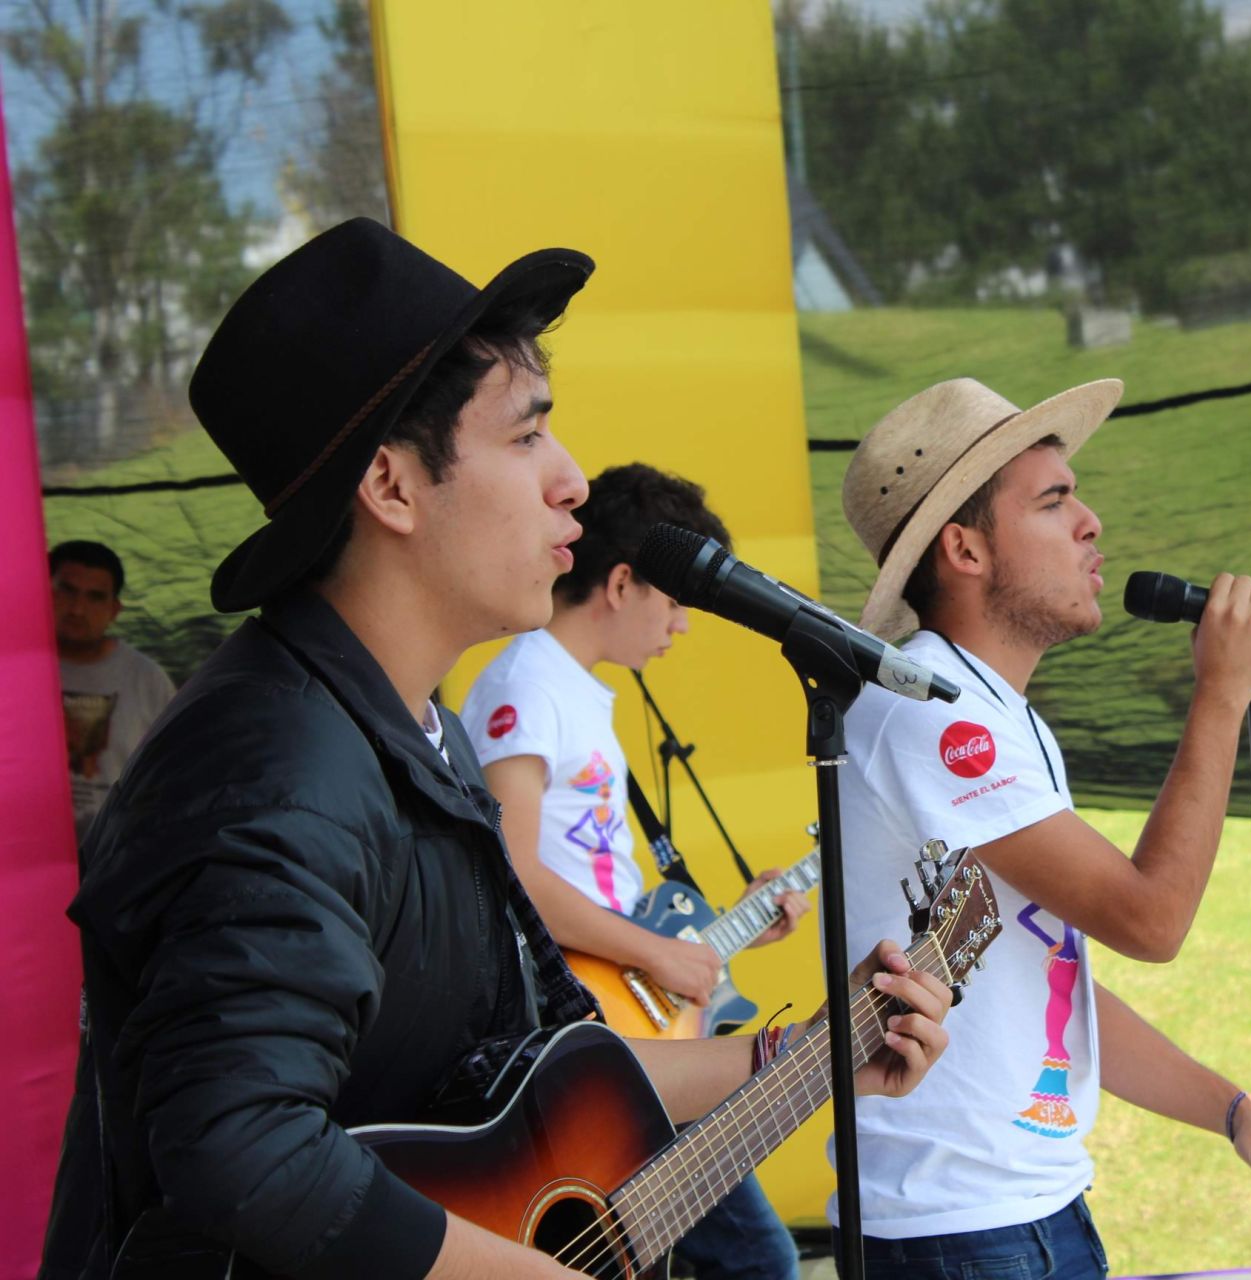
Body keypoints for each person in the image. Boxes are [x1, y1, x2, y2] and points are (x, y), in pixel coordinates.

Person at [39, 219, 950, 1280]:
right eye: (526, 437)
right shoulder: (272, 769)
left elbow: (531, 1084)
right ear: (390, 486)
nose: (572, 480)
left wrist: (803, 1056)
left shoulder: (423, 730)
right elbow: (243, 1149)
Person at [829, 377, 1251, 1277]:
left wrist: (1231, 1109)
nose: (1091, 521)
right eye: (1054, 501)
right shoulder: (934, 715)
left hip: (1020, 1213)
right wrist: (1221, 694)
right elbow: (1151, 921)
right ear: (966, 549)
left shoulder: (992, 713)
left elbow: (1041, 981)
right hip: (960, 1232)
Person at [466, 461, 812, 1280]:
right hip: (589, 1035)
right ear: (622, 582)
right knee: (758, 1261)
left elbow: (600, 887)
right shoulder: (524, 681)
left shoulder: (576, 691)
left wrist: (717, 934)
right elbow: (512, 877)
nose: (682, 625)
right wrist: (657, 956)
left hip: (634, 1017)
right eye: (676, 600)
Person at [49, 540, 176, 840]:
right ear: (44, 590)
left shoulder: (147, 679)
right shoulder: (14, 668)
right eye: (67, 591)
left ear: (114, 608)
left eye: (95, 597)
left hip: (112, 859)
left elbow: (173, 773)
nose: (78, 609)